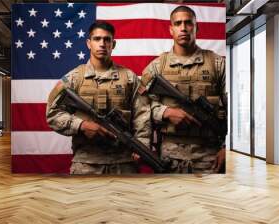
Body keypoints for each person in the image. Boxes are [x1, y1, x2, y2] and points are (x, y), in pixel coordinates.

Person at [46, 21, 151, 174]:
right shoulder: (74, 78)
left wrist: (142, 144)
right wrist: (81, 125)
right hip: (86, 163)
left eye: (107, 39)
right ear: (89, 43)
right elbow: (52, 113)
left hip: (124, 162)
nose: (102, 44)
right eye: (97, 39)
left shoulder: (129, 78)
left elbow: (143, 114)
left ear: (113, 44)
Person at [140, 6, 227, 173]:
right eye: (178, 23)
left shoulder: (217, 64)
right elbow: (141, 108)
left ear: (197, 28)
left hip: (210, 157)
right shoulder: (156, 67)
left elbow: (234, 108)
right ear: (171, 29)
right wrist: (164, 112)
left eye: (188, 23)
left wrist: (228, 149)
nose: (183, 28)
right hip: (168, 157)